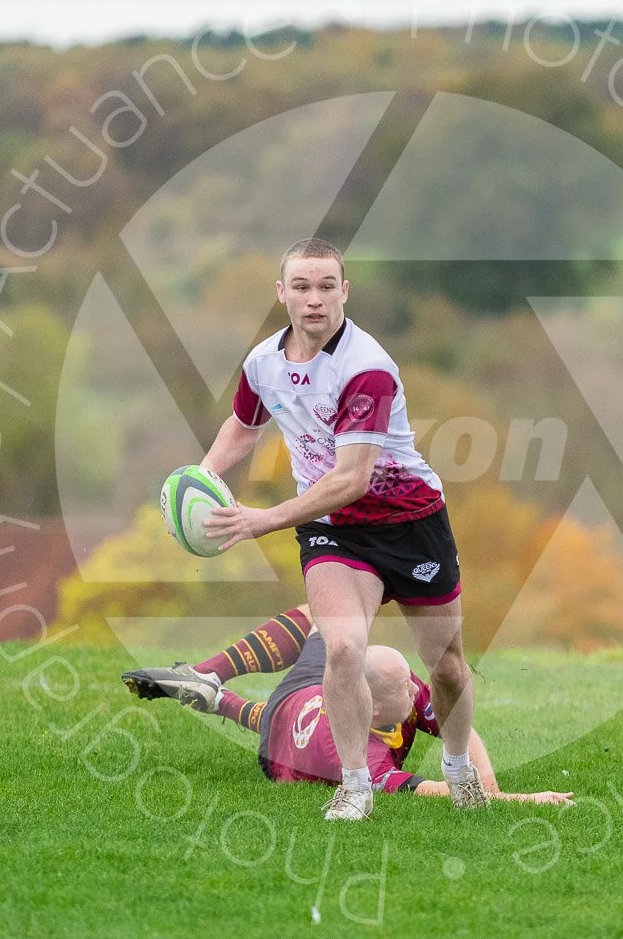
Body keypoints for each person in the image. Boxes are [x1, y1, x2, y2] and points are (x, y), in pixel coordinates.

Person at [196, 238, 481, 820]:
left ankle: (458, 767)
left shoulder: (367, 368)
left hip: (411, 525)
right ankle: (356, 785)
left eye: (327, 286)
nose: (315, 299)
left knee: (447, 664)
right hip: (333, 531)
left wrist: (262, 521)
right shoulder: (263, 363)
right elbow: (244, 426)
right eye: (301, 286)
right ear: (282, 294)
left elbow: (351, 479)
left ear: (345, 292)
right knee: (344, 646)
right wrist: (197, 479)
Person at [123, 608, 573, 806]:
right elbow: (432, 791)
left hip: (305, 694)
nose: (417, 691)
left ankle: (210, 681)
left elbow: (459, 723)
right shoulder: (363, 760)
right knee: (271, 726)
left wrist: (487, 786)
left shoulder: (390, 686)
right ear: (373, 708)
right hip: (280, 750)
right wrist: (521, 801)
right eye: (405, 688)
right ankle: (218, 697)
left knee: (320, 616)